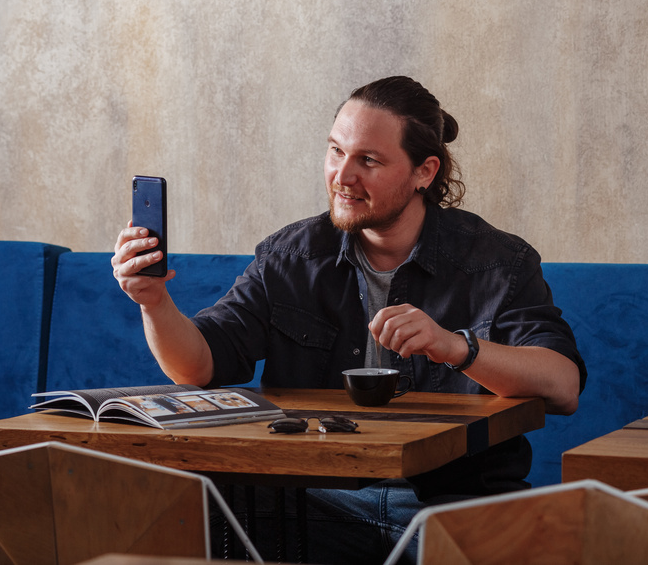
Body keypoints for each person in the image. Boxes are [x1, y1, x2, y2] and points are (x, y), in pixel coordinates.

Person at [112, 75, 587, 564]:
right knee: (181, 505)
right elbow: (199, 366)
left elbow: (563, 385)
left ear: (425, 171)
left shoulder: (497, 262)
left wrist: (457, 347)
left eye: (369, 160)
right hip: (313, 502)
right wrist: (153, 301)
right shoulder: (290, 256)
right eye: (336, 151)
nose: (342, 176)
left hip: (450, 508)